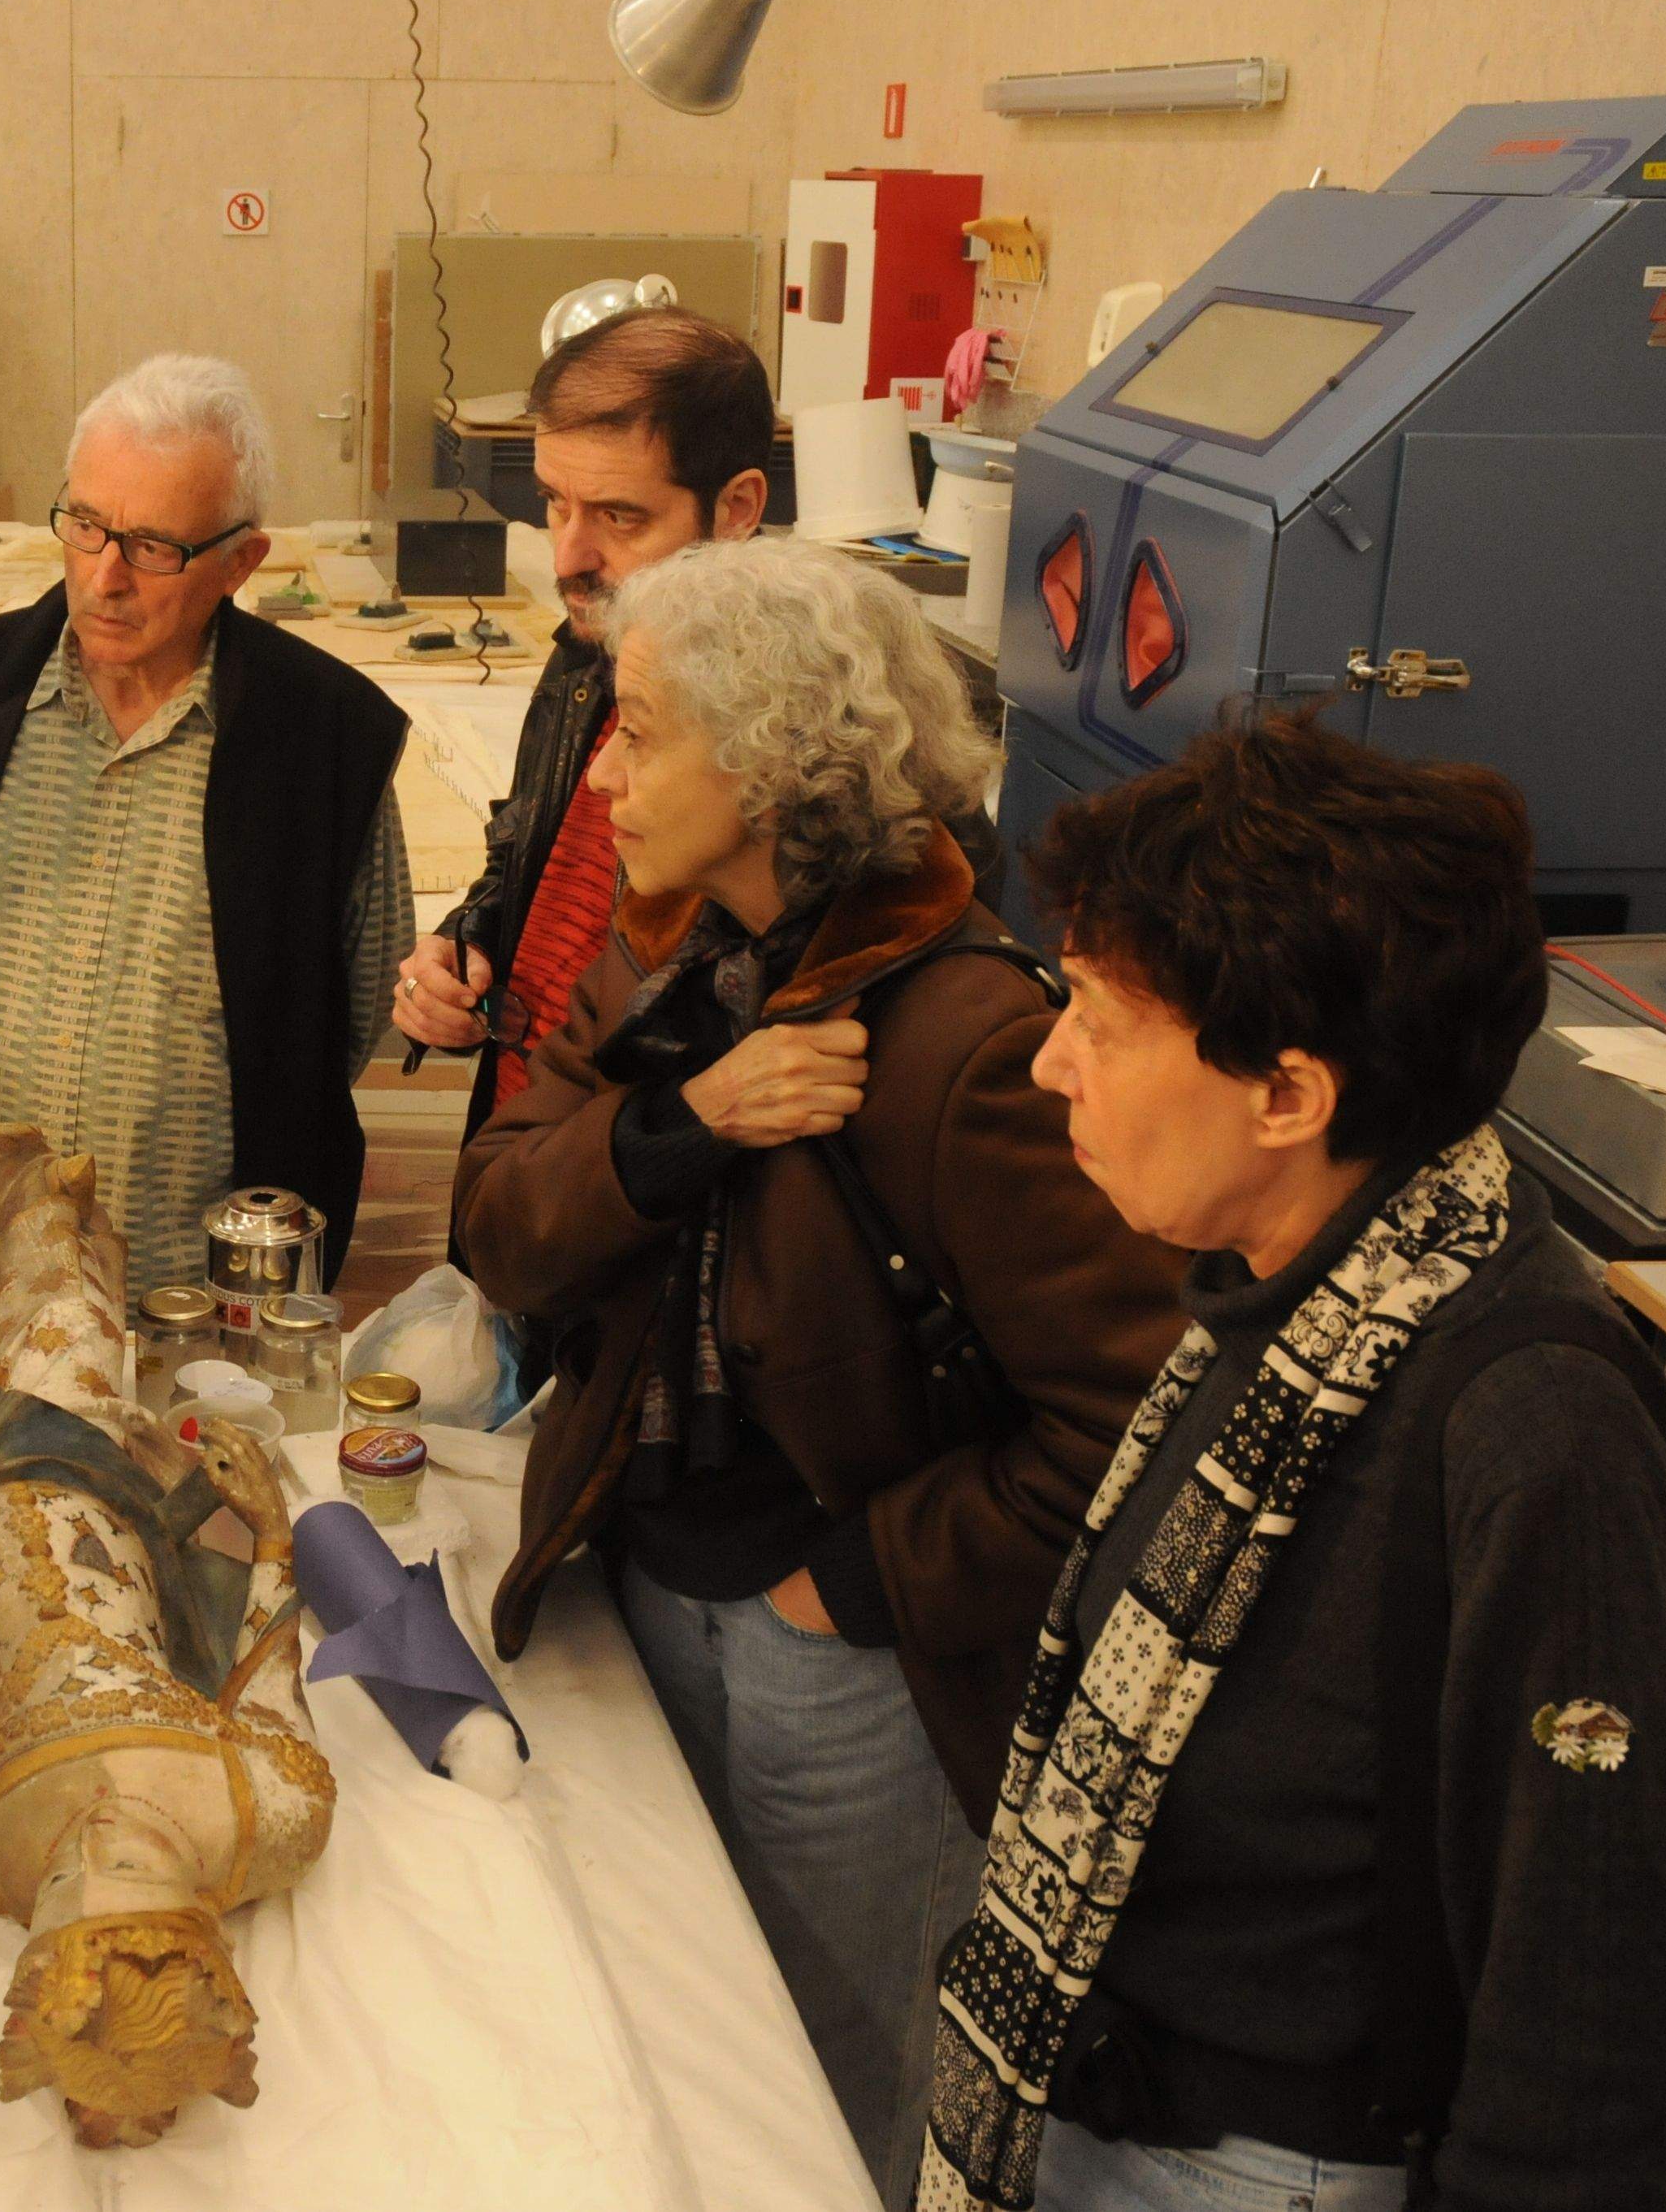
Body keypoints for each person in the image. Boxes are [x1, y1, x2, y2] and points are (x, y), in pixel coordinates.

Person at [452, 539, 1186, 2209]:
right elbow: (496, 1220)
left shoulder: (965, 1037)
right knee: (678, 2034)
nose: (604, 779)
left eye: (641, 736)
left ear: (771, 761)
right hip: (647, 1586)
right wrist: (677, 1128)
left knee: (837, 2099)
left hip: (840, 1659)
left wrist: (849, 1587)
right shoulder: (666, 959)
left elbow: (1128, 1430)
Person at [921, 715, 1666, 2212]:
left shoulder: (1536, 1422)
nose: (1048, 1059)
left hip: (1266, 2165)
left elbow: (1591, 1960)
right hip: (1112, 2088)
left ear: (1287, 1095)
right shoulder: (1288, 1300)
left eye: (1098, 1019)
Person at [0, 353, 413, 1292]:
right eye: (85, 525)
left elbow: (356, 1005)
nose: (104, 578)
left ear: (240, 563)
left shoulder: (325, 739)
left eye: (151, 547)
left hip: (200, 1292)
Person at [392, 306, 772, 1132]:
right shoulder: (586, 656)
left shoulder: (799, 739)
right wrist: (467, 943)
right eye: (554, 503)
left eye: (619, 516)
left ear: (737, 508)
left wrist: (654, 1148)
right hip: (522, 1150)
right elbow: (526, 849)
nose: (567, 557)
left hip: (621, 1180)